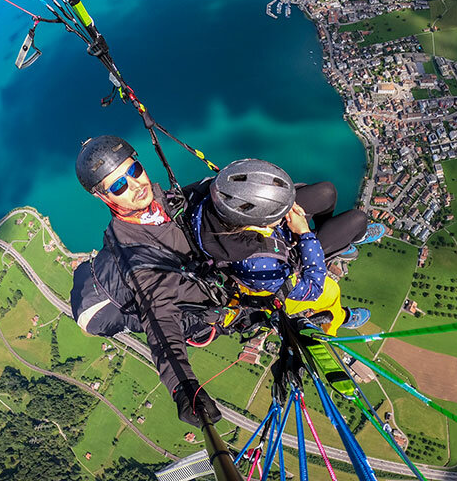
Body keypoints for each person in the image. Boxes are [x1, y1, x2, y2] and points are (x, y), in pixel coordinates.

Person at [73, 135, 223, 428]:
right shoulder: (132, 253)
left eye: (134, 170)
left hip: (206, 279)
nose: (134, 185)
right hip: (202, 314)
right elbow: (160, 319)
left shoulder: (169, 201)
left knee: (324, 194)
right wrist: (183, 386)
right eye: (118, 185)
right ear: (104, 198)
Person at [190, 158, 385, 335]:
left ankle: (337, 241)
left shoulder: (215, 200)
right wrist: (305, 234)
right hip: (283, 258)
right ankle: (338, 253)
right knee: (358, 221)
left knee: (327, 192)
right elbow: (313, 288)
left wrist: (276, 203)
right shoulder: (259, 266)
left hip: (267, 233)